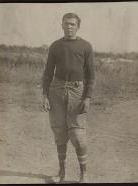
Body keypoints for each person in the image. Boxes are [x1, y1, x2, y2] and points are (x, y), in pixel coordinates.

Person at [42, 12, 95, 183]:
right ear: (61, 25)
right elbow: (48, 73)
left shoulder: (86, 46)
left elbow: (91, 75)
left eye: (72, 24)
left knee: (77, 134)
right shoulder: (55, 46)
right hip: (56, 90)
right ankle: (61, 173)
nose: (69, 27)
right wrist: (45, 95)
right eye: (66, 23)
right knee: (59, 131)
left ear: (78, 26)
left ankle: (84, 173)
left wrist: (87, 97)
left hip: (76, 92)